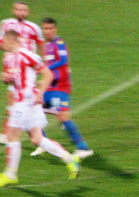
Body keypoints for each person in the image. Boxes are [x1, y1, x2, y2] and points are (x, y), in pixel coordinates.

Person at [0, 30, 80, 188]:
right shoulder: (8, 58)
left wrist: (41, 94)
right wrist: (5, 78)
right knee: (37, 139)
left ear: (11, 41)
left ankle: (10, 174)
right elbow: (12, 80)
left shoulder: (27, 55)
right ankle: (69, 159)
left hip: (27, 101)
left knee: (12, 136)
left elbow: (48, 74)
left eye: (4, 41)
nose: (2, 45)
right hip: (23, 102)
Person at [31, 17, 94, 159]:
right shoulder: (46, 46)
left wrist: (44, 68)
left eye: (50, 28)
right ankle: (43, 143)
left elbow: (63, 60)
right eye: (45, 28)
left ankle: (83, 148)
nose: (47, 31)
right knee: (34, 112)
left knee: (63, 117)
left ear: (55, 29)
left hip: (61, 87)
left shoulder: (59, 43)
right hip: (50, 87)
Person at [0, 1, 44, 145]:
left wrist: (43, 65)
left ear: (28, 12)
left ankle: (11, 135)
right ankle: (36, 138)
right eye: (19, 9)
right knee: (15, 101)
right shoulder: (6, 24)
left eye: (24, 10)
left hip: (27, 68)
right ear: (13, 10)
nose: (21, 12)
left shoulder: (34, 28)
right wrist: (9, 51)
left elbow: (41, 46)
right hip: (13, 65)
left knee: (18, 101)